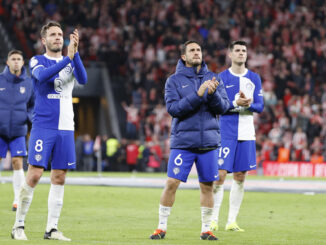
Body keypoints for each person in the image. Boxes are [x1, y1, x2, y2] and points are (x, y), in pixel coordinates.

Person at [11, 21, 87, 241]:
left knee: (59, 176)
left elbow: (83, 79)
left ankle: (51, 229)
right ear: (43, 40)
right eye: (53, 34)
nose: (57, 38)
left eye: (60, 35)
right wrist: (67, 59)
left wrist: (76, 54)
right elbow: (43, 77)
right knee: (34, 175)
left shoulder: (71, 61)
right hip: (44, 126)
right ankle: (18, 226)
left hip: (66, 127)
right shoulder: (37, 60)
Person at [150, 40, 229, 241]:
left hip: (209, 143)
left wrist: (211, 96)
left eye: (199, 50)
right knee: (172, 183)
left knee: (207, 186)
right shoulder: (173, 81)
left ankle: (206, 229)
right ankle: (161, 227)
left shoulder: (213, 78)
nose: (196, 53)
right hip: (183, 143)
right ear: (183, 57)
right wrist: (198, 94)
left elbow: (223, 108)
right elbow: (174, 110)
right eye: (192, 50)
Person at [210, 40, 264, 232]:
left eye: (244, 51)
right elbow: (217, 106)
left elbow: (260, 106)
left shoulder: (254, 78)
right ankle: (213, 219)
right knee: (220, 176)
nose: (241, 53)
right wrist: (236, 102)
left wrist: (248, 105)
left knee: (240, 176)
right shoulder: (221, 77)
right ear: (230, 54)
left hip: (247, 133)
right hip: (226, 132)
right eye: (238, 51)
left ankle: (231, 221)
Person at [0, 50, 34, 211]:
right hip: (0, 130)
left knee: (17, 162)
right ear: (7, 62)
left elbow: (33, 105)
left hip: (18, 130)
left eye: (18, 59)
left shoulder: (28, 83)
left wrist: (30, 118)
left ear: (22, 62)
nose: (15, 61)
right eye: (12, 59)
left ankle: (17, 200)